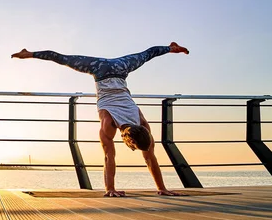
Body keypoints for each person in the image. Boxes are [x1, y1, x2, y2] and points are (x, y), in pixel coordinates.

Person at [12, 42, 189, 197]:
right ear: (128, 138)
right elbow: (115, 157)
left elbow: (113, 156)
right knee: (145, 55)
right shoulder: (110, 123)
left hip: (118, 68)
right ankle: (171, 47)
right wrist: (110, 188)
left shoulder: (139, 124)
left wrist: (161, 188)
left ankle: (29, 53)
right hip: (104, 69)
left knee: (145, 55)